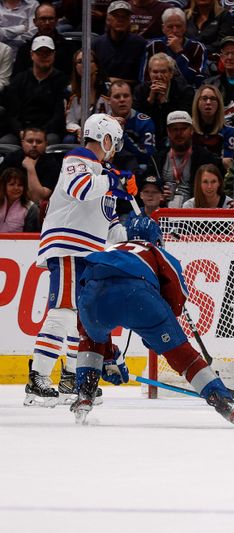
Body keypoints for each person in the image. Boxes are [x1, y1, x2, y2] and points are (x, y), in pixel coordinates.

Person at [72, 214, 234, 426]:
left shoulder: (109, 250)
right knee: (184, 356)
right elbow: (176, 298)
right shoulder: (154, 250)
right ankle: (224, 402)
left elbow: (84, 297)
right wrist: (160, 335)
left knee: (89, 338)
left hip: (92, 298)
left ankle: (84, 394)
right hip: (140, 297)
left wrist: (108, 356)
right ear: (157, 239)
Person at [25, 113, 132, 407]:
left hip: (88, 251)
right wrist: (114, 179)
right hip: (69, 245)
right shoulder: (79, 157)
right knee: (63, 310)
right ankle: (38, 378)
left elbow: (108, 221)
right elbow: (79, 189)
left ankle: (71, 378)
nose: (115, 150)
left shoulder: (102, 173)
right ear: (106, 138)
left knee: (81, 318)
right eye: (114, 142)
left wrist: (129, 233)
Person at [3, 35, 68, 145]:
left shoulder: (61, 80)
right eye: (40, 53)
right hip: (22, 131)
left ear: (54, 55)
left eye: (48, 53)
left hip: (48, 132)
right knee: (5, 143)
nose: (44, 56)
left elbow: (59, 115)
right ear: (32, 54)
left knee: (52, 140)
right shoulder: (19, 80)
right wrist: (21, 131)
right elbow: (12, 113)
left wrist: (41, 132)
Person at [149, 110, 223, 207]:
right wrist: (158, 192)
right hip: (163, 212)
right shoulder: (157, 158)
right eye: (174, 129)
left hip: (195, 212)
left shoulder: (206, 158)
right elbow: (147, 187)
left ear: (191, 130)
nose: (179, 133)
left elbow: (218, 189)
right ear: (168, 132)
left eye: (183, 129)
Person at [133, 53, 195, 150]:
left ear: (171, 73)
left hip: (175, 139)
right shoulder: (140, 91)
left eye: (163, 72)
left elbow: (182, 120)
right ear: (149, 73)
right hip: (147, 138)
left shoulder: (185, 91)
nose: (159, 76)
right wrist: (150, 100)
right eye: (155, 72)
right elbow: (138, 120)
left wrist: (164, 102)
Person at [141, 7, 207, 87]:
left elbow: (196, 80)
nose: (175, 30)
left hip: (187, 94)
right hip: (156, 91)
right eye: (170, 27)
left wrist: (179, 52)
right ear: (163, 28)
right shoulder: (153, 46)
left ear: (185, 27)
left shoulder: (197, 47)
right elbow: (144, 79)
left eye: (178, 26)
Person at [11, 3, 76, 77]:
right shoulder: (25, 49)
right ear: (35, 22)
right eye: (43, 19)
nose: (47, 23)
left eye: (51, 19)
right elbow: (17, 79)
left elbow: (73, 78)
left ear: (56, 21)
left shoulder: (68, 48)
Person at [92, 1, 148, 85]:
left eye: (125, 16)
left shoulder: (140, 44)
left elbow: (142, 80)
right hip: (102, 91)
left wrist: (118, 82)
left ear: (130, 20)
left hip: (131, 94)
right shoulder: (97, 44)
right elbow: (91, 75)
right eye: (116, 16)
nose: (120, 19)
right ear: (108, 19)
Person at [63, 50, 112, 144]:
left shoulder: (108, 90)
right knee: (68, 140)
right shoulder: (69, 92)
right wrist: (78, 130)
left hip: (103, 133)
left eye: (88, 60)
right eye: (80, 62)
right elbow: (70, 122)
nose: (84, 64)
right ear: (75, 67)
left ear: (96, 65)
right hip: (79, 135)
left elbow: (111, 116)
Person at [107, 79, 157, 171]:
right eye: (117, 97)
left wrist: (122, 134)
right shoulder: (101, 122)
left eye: (126, 96)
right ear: (109, 100)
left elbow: (148, 155)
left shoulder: (145, 122)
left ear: (131, 98)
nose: (122, 100)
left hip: (137, 170)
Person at [191, 84, 234, 167]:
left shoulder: (230, 132)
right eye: (204, 98)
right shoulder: (189, 130)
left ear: (219, 104)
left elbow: (228, 164)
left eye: (213, 99)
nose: (208, 102)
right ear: (197, 102)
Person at [0, 166, 39, 232]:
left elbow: (30, 237)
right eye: (12, 184)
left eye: (20, 185)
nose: (16, 188)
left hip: (18, 242)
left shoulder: (32, 208)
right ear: (4, 186)